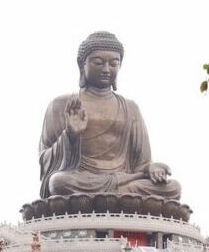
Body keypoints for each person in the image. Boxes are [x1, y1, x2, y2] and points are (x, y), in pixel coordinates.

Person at [38, 31, 181, 200]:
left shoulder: (131, 108)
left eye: (114, 64)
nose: (106, 69)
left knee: (173, 188)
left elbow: (142, 164)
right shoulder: (61, 105)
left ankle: (111, 195)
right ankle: (118, 197)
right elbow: (45, 161)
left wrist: (151, 169)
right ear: (81, 64)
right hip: (82, 181)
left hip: (125, 181)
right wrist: (71, 135)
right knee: (58, 182)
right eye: (98, 63)